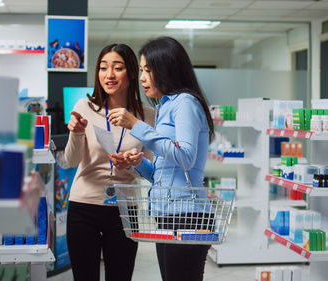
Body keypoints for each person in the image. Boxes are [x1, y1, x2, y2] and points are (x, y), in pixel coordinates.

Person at [107, 36, 215, 281]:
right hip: (167, 212)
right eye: (141, 70)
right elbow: (163, 171)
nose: (142, 77)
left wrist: (136, 125)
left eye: (148, 70)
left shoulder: (185, 103)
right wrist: (139, 164)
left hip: (188, 213)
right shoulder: (166, 106)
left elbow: (186, 156)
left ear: (167, 69)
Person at [63, 43, 156, 281]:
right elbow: (70, 160)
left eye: (117, 67)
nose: (109, 74)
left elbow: (152, 172)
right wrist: (76, 133)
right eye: (103, 68)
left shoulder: (147, 116)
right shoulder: (85, 107)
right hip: (84, 206)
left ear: (132, 73)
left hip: (125, 209)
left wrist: (134, 163)